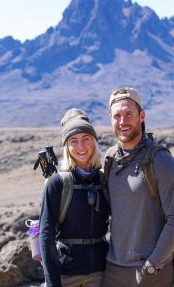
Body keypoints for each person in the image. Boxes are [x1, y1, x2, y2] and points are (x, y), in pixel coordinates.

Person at [102, 87, 174, 287]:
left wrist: (152, 265)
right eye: (117, 116)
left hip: (150, 272)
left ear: (141, 116)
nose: (123, 122)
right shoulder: (109, 159)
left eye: (128, 114)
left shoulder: (161, 161)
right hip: (113, 269)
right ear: (110, 119)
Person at [39, 108, 110, 287]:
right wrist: (52, 282)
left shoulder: (105, 180)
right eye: (73, 141)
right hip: (66, 275)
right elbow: (46, 235)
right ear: (67, 147)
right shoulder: (57, 183)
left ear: (94, 142)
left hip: (101, 273)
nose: (80, 146)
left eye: (86, 139)